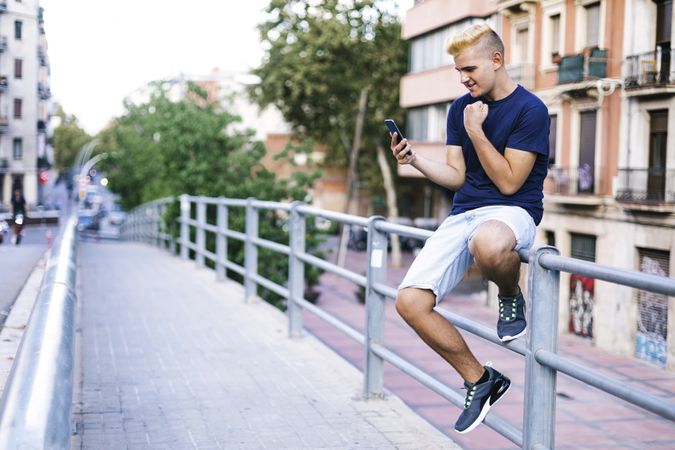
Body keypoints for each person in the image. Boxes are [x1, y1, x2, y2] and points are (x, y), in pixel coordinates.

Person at [390, 23, 549, 434]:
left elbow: (511, 182)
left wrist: (477, 131)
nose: (464, 79)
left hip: (513, 210)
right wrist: (415, 161)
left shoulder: (531, 110)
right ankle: (480, 380)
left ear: (497, 60)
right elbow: (458, 177)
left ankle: (510, 295)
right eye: (459, 71)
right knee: (409, 302)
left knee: (488, 243)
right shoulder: (458, 109)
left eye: (470, 69)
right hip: (463, 213)